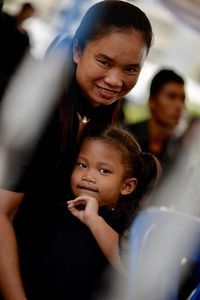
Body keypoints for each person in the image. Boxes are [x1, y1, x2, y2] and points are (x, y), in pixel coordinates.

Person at [0, 1, 153, 299]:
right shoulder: (41, 108)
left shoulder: (99, 111)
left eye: (131, 68)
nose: (116, 80)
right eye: (105, 62)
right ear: (77, 51)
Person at [39, 126, 161, 299]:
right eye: (82, 165)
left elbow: (131, 268)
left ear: (127, 186)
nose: (88, 176)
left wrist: (94, 220)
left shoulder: (127, 223)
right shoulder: (62, 206)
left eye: (104, 171)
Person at [127, 69, 185, 172]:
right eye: (171, 97)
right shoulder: (126, 138)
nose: (179, 106)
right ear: (152, 101)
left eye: (182, 99)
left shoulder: (178, 151)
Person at [0, 0, 30, 100]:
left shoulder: (25, 36)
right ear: (22, 9)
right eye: (27, 13)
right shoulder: (5, 19)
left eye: (29, 15)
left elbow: (23, 58)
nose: (26, 16)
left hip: (7, 75)